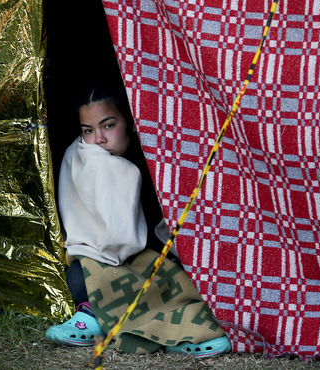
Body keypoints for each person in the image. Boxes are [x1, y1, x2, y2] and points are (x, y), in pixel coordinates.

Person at [46, 84, 231, 357]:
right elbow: (93, 235)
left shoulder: (157, 161)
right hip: (110, 264)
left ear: (131, 123)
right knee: (79, 274)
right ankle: (90, 318)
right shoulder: (84, 161)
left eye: (108, 126)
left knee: (180, 279)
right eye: (88, 130)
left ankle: (184, 331)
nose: (98, 139)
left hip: (153, 259)